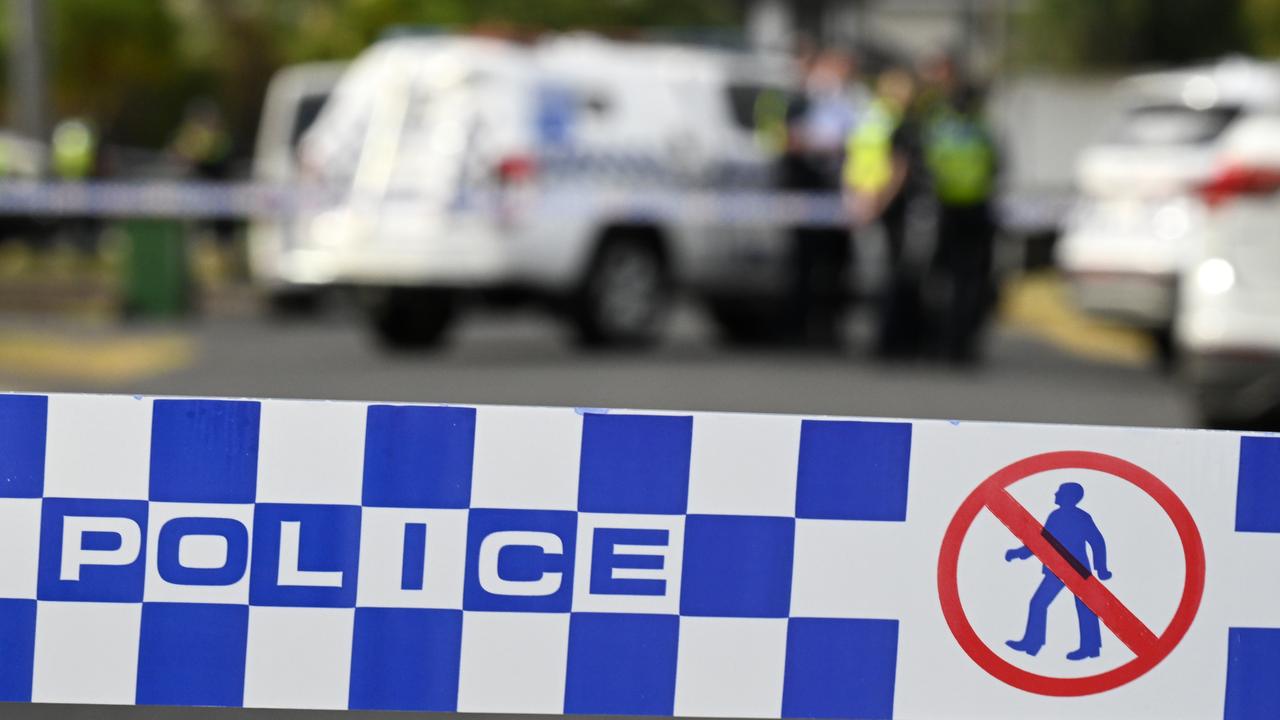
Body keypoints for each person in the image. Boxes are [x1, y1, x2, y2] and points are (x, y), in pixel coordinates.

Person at [845, 67, 923, 358]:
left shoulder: (868, 116)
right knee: (892, 274)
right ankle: (891, 338)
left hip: (865, 203)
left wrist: (854, 198)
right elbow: (898, 167)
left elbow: (854, 158)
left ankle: (884, 337)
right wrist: (881, 202)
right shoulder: (896, 121)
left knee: (876, 275)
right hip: (886, 206)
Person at [923, 80, 999, 365]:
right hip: (976, 210)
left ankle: (941, 341)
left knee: (943, 278)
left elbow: (927, 166)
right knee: (971, 281)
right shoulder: (982, 130)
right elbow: (996, 167)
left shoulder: (940, 129)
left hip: (946, 210)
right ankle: (963, 342)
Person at [1005, 482, 1112, 660]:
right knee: (1039, 603)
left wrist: (1101, 568)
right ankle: (1032, 643)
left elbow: (1097, 541)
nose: (1055, 494)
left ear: (1069, 497)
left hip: (1077, 570)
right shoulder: (1055, 516)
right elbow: (1041, 541)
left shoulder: (1081, 517)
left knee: (1085, 608)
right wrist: (1019, 553)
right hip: (1057, 569)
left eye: (1060, 492)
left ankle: (1090, 648)